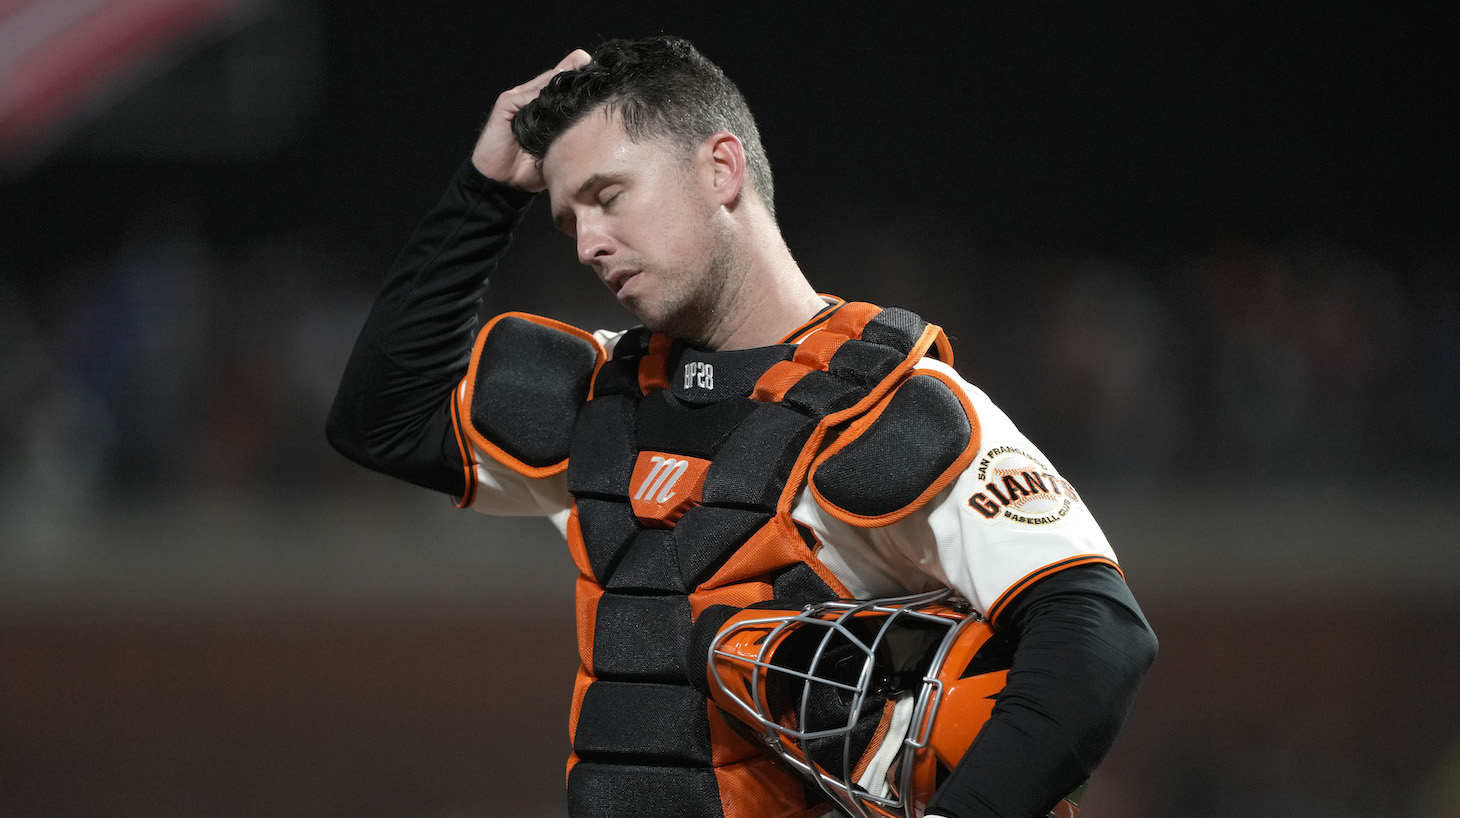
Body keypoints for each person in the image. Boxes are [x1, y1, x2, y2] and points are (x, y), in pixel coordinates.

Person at [327, 35, 1157, 818]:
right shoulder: (602, 398)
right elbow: (383, 422)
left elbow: (1098, 636)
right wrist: (482, 191)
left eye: (607, 197)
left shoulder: (889, 405)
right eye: (568, 218)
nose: (587, 242)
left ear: (721, 169)